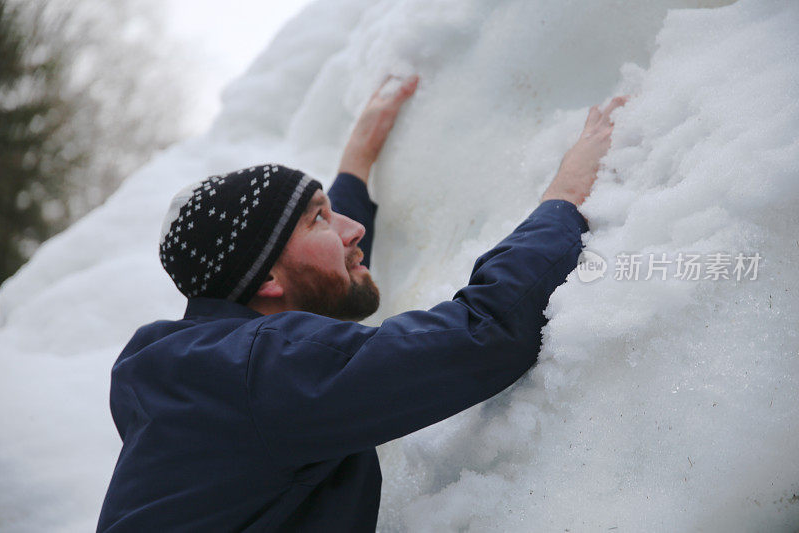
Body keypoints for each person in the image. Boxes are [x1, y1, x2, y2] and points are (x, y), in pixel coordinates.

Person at [97, 74, 627, 532]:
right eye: (320, 219)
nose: (353, 230)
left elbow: (311, 272)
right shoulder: (266, 372)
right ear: (267, 282)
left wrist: (357, 161)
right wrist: (566, 195)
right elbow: (481, 334)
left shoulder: (204, 369)